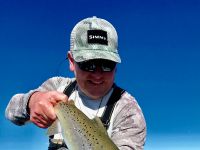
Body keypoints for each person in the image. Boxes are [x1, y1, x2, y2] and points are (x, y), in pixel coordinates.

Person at [5, 16, 146, 150]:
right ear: (72, 61)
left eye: (106, 65)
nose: (97, 74)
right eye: (88, 64)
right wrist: (32, 101)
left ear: (116, 66)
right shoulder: (57, 87)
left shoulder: (128, 110)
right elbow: (10, 112)